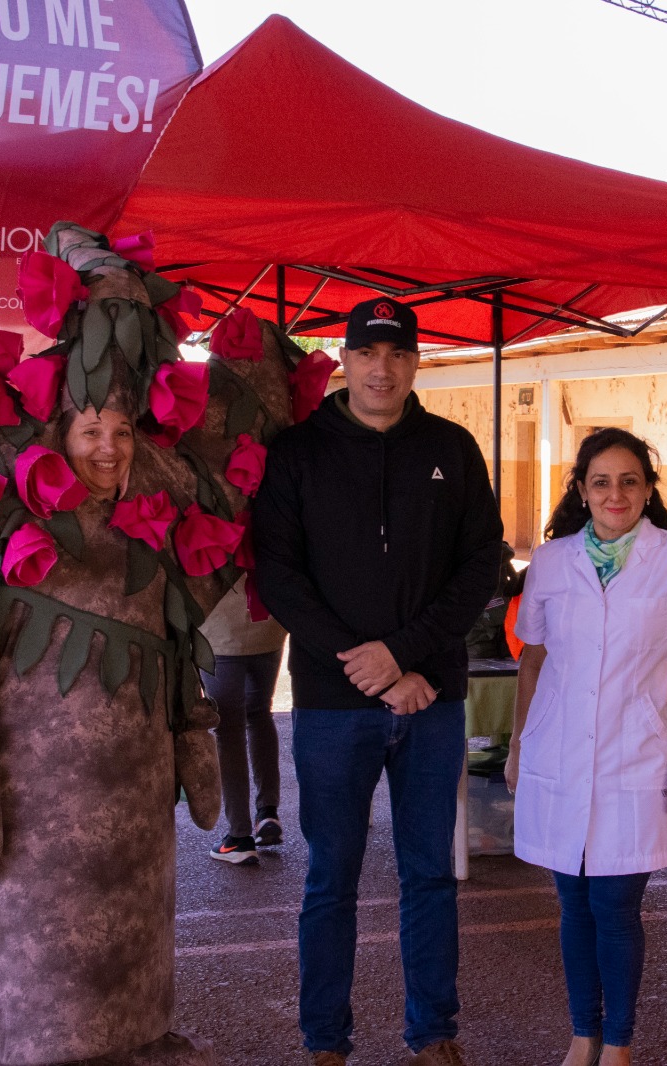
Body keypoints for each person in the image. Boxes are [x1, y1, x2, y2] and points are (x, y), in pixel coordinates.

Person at [254, 295, 504, 1066]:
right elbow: (280, 576)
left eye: (397, 354)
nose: (382, 368)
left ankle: (434, 1033)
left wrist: (407, 659)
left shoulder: (454, 449)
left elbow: (478, 568)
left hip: (431, 698)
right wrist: (369, 665)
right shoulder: (297, 453)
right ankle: (325, 1041)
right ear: (346, 359)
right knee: (331, 878)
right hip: (334, 704)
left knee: (429, 874)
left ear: (416, 362)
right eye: (368, 353)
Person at [504, 428, 667, 1066]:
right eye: (600, 481)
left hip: (637, 757)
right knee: (573, 903)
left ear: (649, 490)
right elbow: (532, 660)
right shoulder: (550, 562)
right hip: (557, 755)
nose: (616, 493)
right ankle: (583, 1035)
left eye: (630, 480)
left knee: (616, 903)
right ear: (581, 491)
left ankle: (620, 1043)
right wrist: (519, 745)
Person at [200, 574, 288, 865]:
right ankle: (267, 813)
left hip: (220, 630)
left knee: (228, 729)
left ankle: (239, 836)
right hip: (268, 623)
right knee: (260, 712)